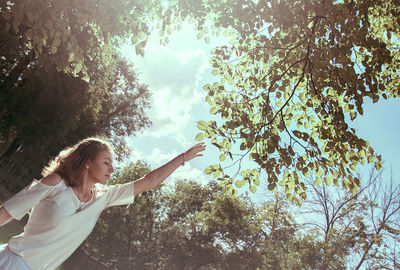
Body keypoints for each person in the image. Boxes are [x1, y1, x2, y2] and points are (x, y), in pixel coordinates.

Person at [0, 137, 206, 270]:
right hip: (11, 261)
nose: (112, 169)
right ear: (88, 163)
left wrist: (182, 158)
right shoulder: (56, 183)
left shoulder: (104, 196)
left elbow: (149, 182)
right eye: (106, 162)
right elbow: (8, 212)